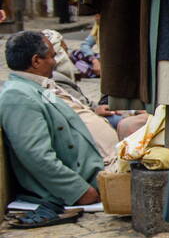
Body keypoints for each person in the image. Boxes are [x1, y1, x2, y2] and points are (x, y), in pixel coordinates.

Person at [0, 31, 105, 226]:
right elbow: (37, 155)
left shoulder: (33, 87)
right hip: (83, 184)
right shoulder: (18, 96)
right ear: (36, 61)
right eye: (51, 56)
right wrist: (78, 191)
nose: (55, 62)